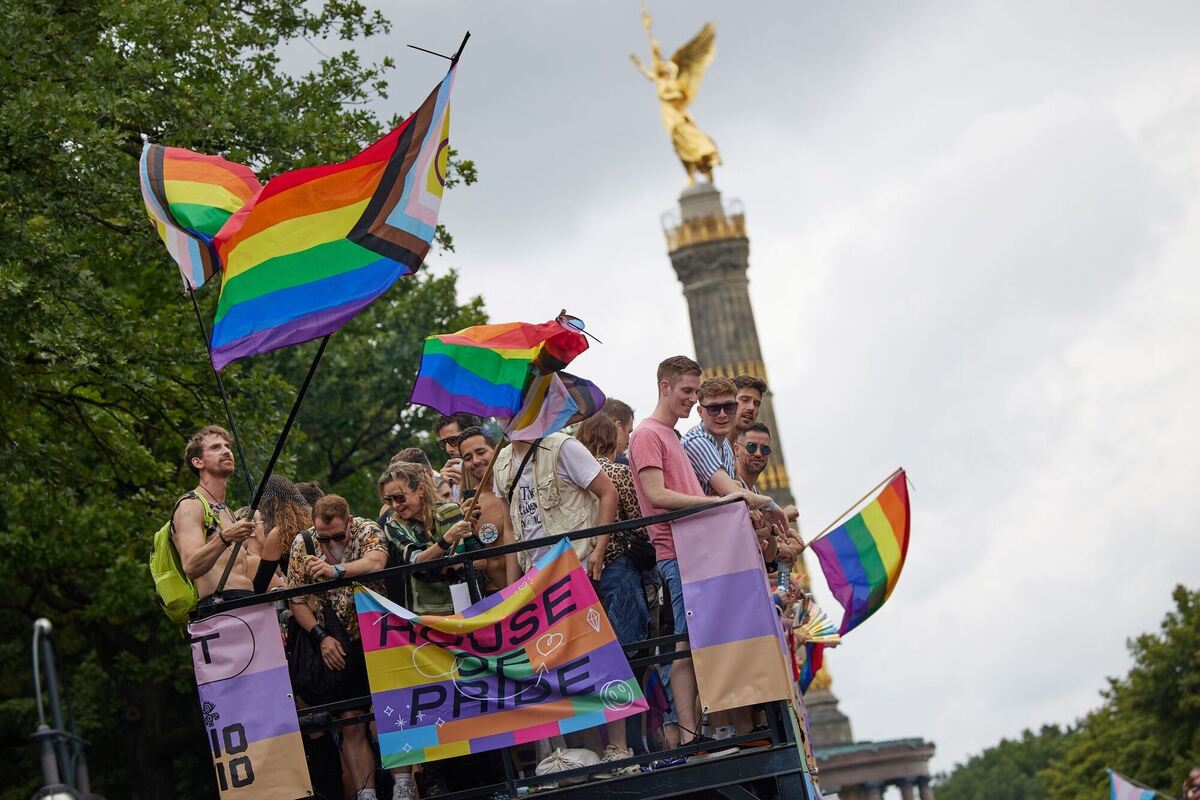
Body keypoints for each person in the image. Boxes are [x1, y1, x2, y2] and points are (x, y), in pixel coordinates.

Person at [626, 358, 759, 751]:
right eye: (687, 391)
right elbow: (656, 495)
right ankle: (692, 734)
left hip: (693, 548)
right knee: (689, 643)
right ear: (665, 387)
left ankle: (699, 730)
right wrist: (717, 504)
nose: (693, 399)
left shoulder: (668, 434)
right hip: (676, 550)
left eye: (695, 392)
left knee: (694, 642)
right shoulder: (648, 434)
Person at [376, 463, 478, 798]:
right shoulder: (393, 524)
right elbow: (416, 560)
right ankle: (436, 779)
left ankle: (484, 774)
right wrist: (445, 543)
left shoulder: (452, 511)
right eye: (389, 500)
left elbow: (470, 557)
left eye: (399, 497)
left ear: (420, 488)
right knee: (434, 697)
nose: (395, 505)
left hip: (462, 613)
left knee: (472, 689)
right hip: (423, 621)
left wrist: (450, 553)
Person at [285, 495, 387, 800]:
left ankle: (405, 788)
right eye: (323, 537)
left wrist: (337, 571)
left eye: (338, 536)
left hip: (377, 633)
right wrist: (320, 637)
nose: (330, 543)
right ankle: (366, 794)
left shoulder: (366, 529)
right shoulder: (303, 543)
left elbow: (377, 560)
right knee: (351, 723)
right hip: (335, 641)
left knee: (392, 714)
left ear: (350, 521)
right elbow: (296, 599)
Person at [576, 413, 652, 776]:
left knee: (595, 657)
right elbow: (640, 521)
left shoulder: (574, 478)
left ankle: (601, 749)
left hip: (582, 573)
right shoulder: (619, 473)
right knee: (629, 655)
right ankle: (632, 744)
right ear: (610, 437)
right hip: (619, 569)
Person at [173, 426, 283, 610]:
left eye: (227, 446)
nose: (225, 451)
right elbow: (191, 566)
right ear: (198, 462)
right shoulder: (191, 504)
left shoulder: (227, 511)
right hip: (221, 607)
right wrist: (226, 537)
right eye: (215, 447)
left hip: (247, 601)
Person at [492, 430, 618, 584]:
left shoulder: (562, 446)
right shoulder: (501, 462)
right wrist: (513, 588)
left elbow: (608, 493)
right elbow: (510, 527)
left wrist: (599, 551)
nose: (507, 417)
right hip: (536, 578)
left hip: (578, 567)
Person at [735, 423, 804, 567]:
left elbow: (769, 557)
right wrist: (779, 519)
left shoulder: (757, 495)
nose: (759, 453)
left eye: (765, 449)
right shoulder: (729, 487)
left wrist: (773, 529)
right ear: (736, 449)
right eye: (751, 447)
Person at [455, 426, 513, 594]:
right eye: (467, 457)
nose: (475, 461)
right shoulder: (471, 504)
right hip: (495, 595)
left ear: (495, 450)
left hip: (532, 585)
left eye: (481, 452)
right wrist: (464, 528)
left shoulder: (516, 485)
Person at [434, 413, 480, 500]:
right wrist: (444, 489)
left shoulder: (497, 467)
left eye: (453, 440)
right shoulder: (453, 476)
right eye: (443, 443)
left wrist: (469, 483)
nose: (448, 449)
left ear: (472, 434)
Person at [600, 398, 636, 463]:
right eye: (628, 432)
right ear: (617, 427)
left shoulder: (582, 456)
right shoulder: (621, 464)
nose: (629, 440)